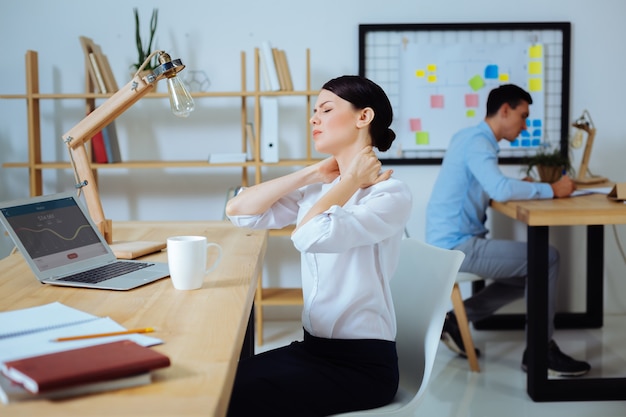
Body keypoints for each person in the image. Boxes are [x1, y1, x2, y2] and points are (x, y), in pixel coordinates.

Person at [225, 75, 412, 416]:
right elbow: (238, 212)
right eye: (314, 111)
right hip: (313, 351)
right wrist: (312, 174)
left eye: (326, 109)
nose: (314, 118)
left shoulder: (388, 194)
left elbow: (307, 236)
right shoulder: (321, 190)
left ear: (363, 117)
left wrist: (353, 179)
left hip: (362, 368)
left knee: (229, 400)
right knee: (215, 385)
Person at [426, 84, 591, 377]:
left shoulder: (467, 137)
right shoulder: (479, 142)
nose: (525, 125)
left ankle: (454, 321)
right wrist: (551, 188)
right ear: (504, 110)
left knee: (532, 272)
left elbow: (488, 185)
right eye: (523, 116)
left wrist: (529, 187)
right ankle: (540, 350)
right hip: (457, 245)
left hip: (446, 241)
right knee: (546, 259)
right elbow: (500, 189)